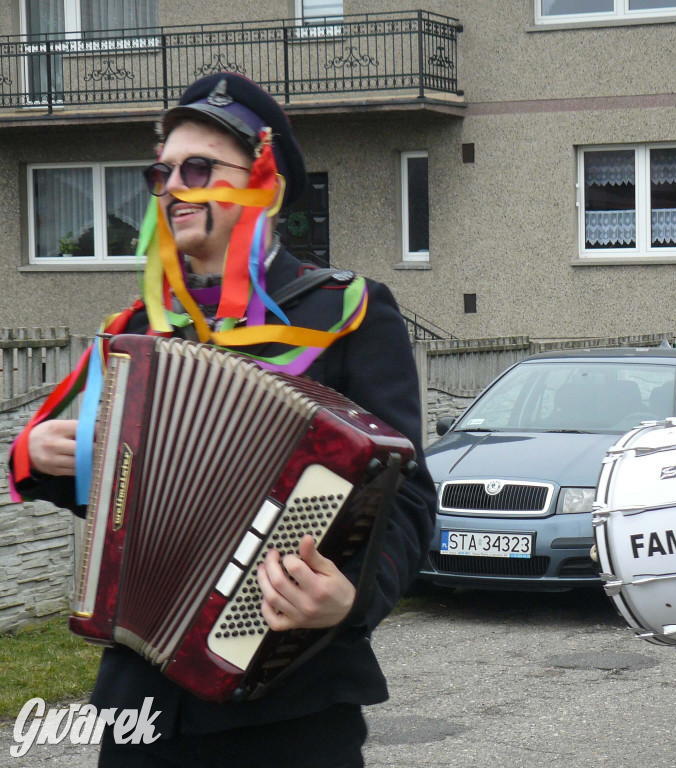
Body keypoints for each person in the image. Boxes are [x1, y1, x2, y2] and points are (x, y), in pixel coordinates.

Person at [8, 73, 435, 767]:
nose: (171, 186)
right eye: (161, 172)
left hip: (292, 706)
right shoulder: (137, 331)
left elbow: (411, 498)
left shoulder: (346, 312)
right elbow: (104, 486)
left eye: (198, 168)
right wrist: (45, 455)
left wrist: (352, 598)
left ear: (262, 181)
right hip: (142, 705)